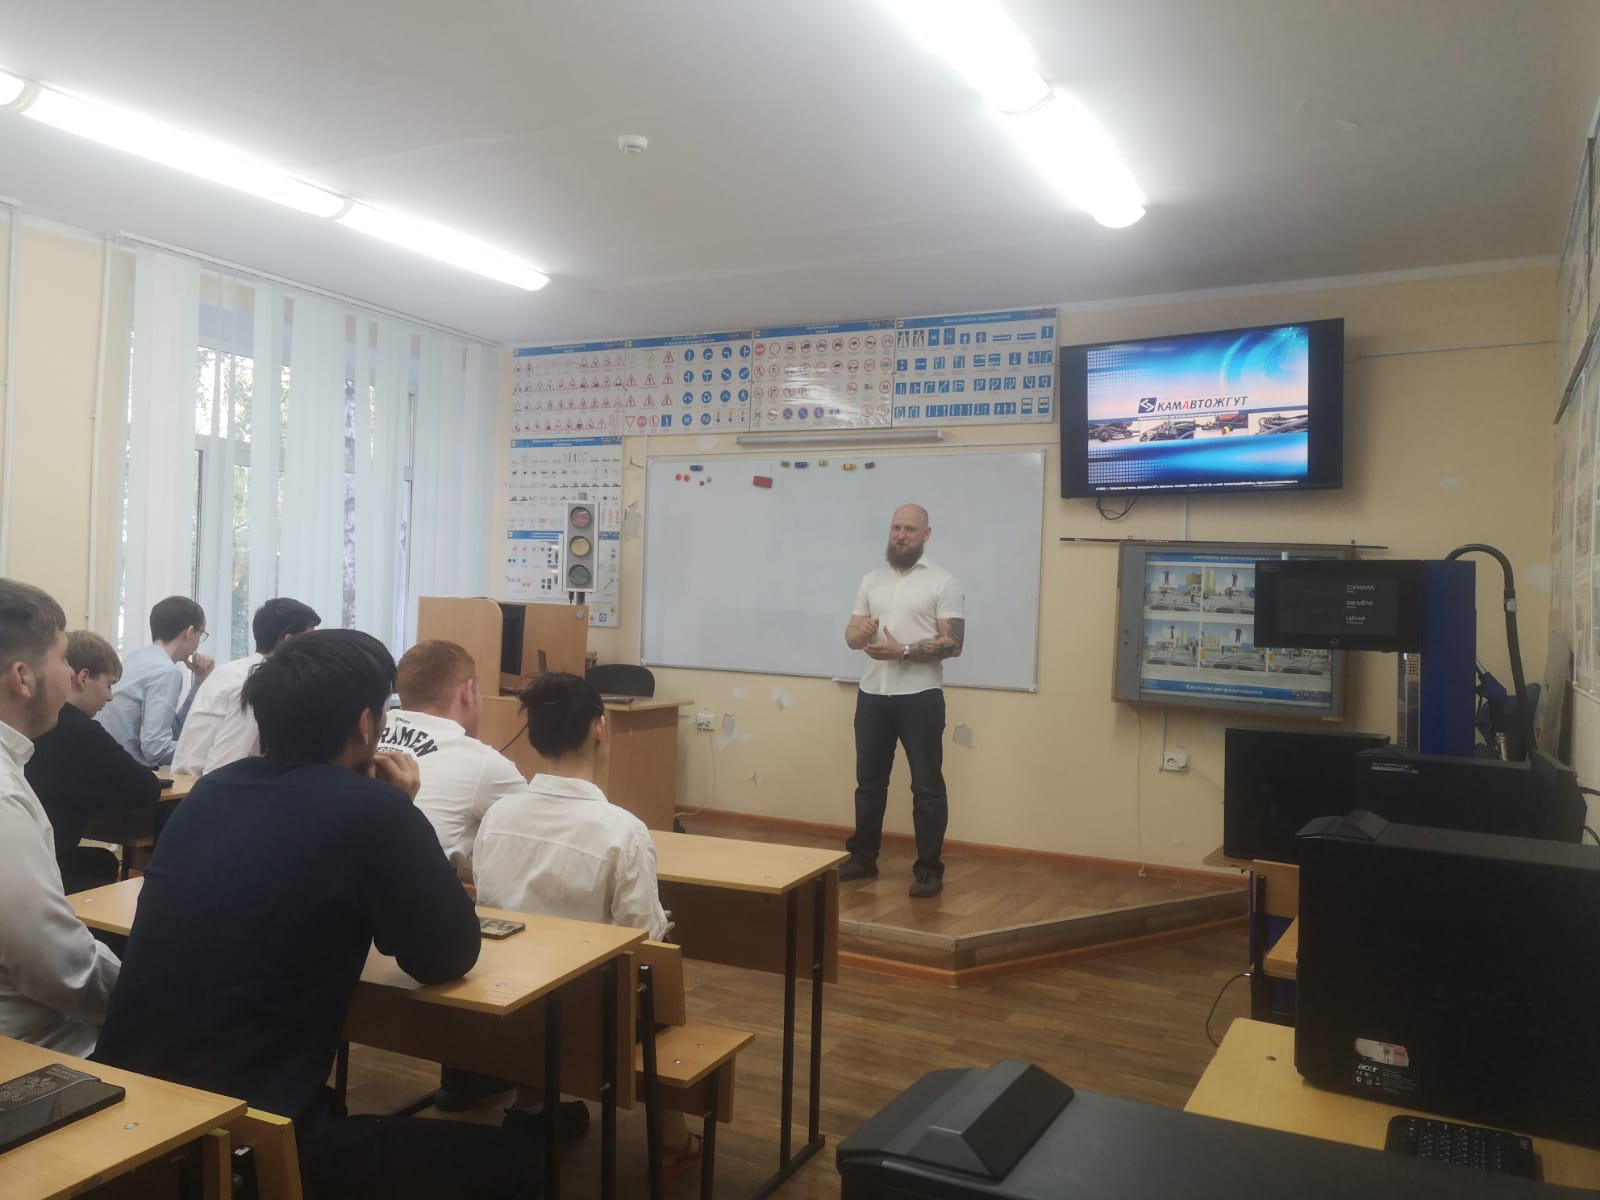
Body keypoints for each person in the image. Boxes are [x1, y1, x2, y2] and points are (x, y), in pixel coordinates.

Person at [92, 629, 536, 1200]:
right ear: (365, 725)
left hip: (132, 1122)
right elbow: (446, 954)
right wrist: (399, 810)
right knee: (521, 1161)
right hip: (245, 1143)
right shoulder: (374, 811)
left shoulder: (211, 792)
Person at [475, 672, 695, 1170]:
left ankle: (531, 1101)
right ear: (600, 728)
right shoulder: (623, 831)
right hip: (592, 1019)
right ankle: (673, 1138)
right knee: (654, 980)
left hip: (506, 1001)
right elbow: (643, 941)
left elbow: (492, 905)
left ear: (535, 736)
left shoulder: (497, 816)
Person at [0, 580, 120, 1055]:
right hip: (36, 1053)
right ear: (23, 677)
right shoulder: (4, 796)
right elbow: (57, 965)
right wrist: (146, 994)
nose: (71, 675)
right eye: (64, 658)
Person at [841, 504, 965, 898]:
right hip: (873, 695)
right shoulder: (872, 580)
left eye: (910, 529)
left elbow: (954, 643)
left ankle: (928, 869)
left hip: (920, 698)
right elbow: (850, 635)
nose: (901, 535)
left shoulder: (942, 582)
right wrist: (860, 633)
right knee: (869, 784)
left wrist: (905, 651)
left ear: (926, 535)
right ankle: (863, 858)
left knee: (927, 787)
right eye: (896, 527)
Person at [26, 630, 165, 892]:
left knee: (99, 860)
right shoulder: (77, 729)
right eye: (109, 684)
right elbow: (146, 788)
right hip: (49, 872)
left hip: (28, 861)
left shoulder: (28, 719)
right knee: (100, 863)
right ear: (83, 677)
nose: (110, 697)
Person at [379, 640, 526, 877]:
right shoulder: (483, 763)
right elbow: (536, 835)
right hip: (413, 889)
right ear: (468, 692)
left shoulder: (364, 737)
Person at [171, 597, 320, 775]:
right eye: (310, 642)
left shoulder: (229, 670)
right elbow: (226, 768)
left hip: (188, 783)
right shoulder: (262, 682)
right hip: (205, 785)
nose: (314, 652)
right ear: (288, 641)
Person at [96, 595, 214, 767]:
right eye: (201, 634)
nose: (198, 644)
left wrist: (199, 682)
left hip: (104, 764)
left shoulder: (136, 659)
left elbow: (171, 733)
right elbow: (156, 749)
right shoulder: (166, 671)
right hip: (126, 772)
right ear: (189, 632)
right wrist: (210, 751)